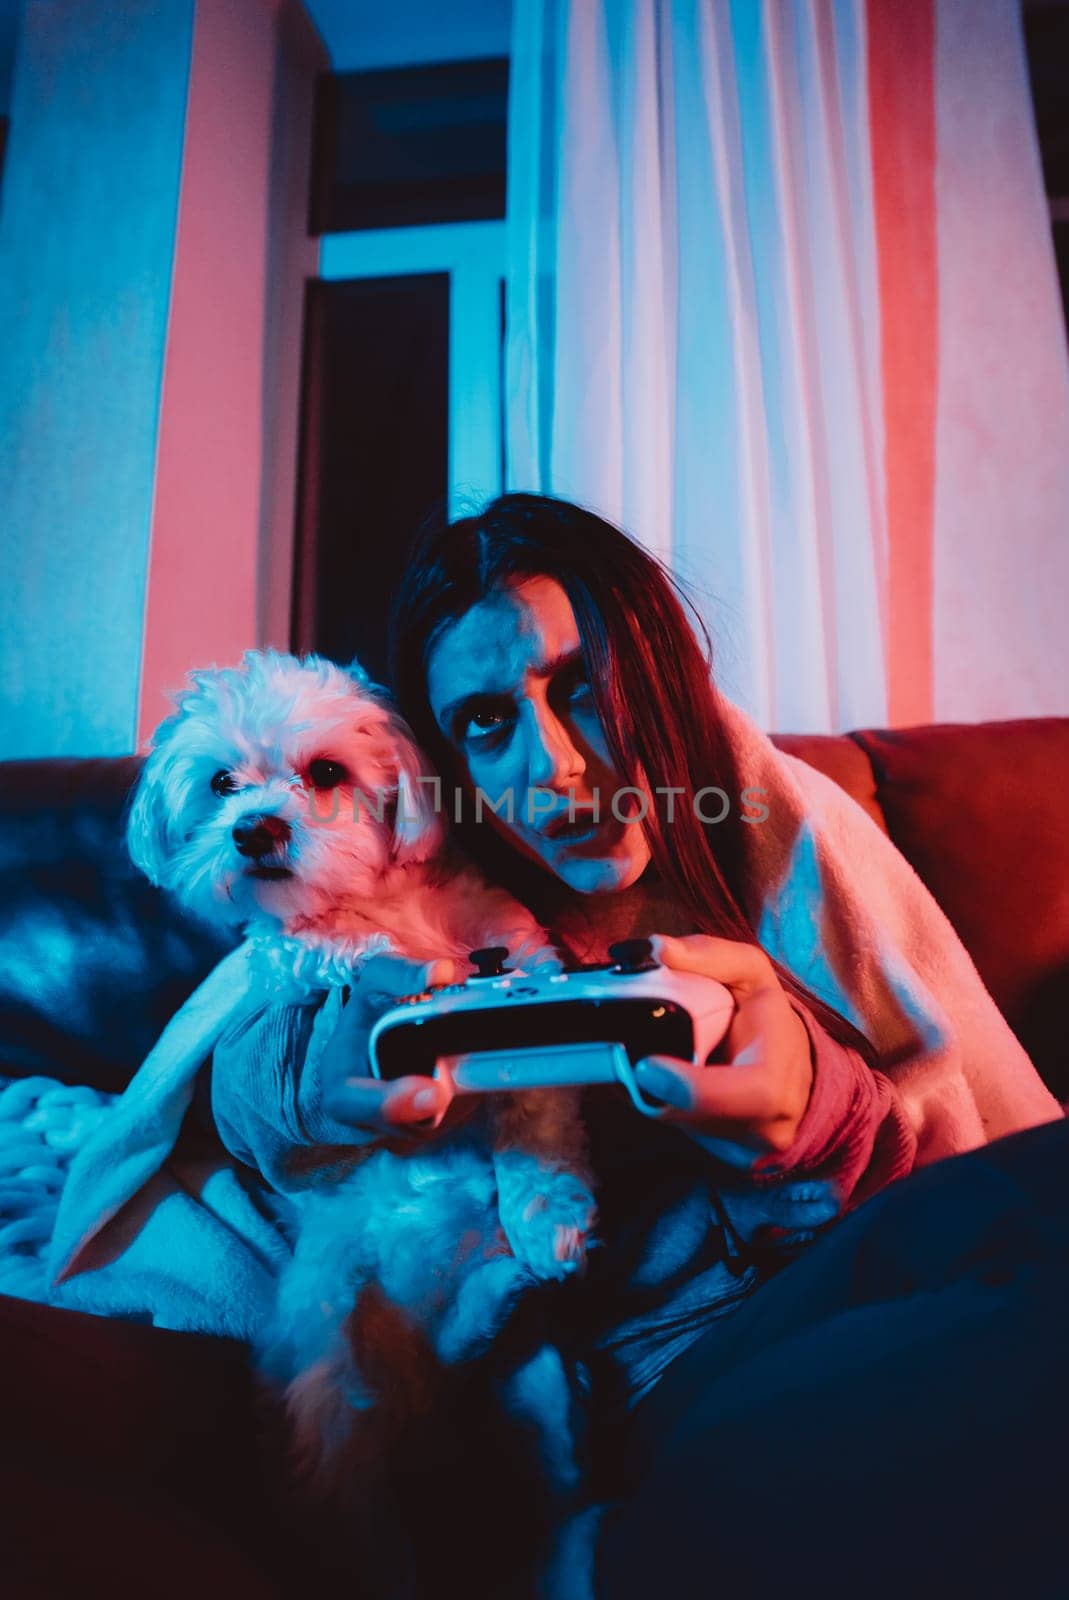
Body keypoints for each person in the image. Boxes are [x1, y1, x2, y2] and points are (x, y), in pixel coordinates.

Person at [215, 494, 1067, 1597]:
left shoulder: (777, 822)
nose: (554, 764)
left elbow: (961, 1129)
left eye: (580, 687)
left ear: (656, 667)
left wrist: (813, 1109)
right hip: (658, 1384)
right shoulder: (409, 886)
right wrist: (318, 1067)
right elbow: (228, 1057)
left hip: (845, 1288)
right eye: (484, 722)